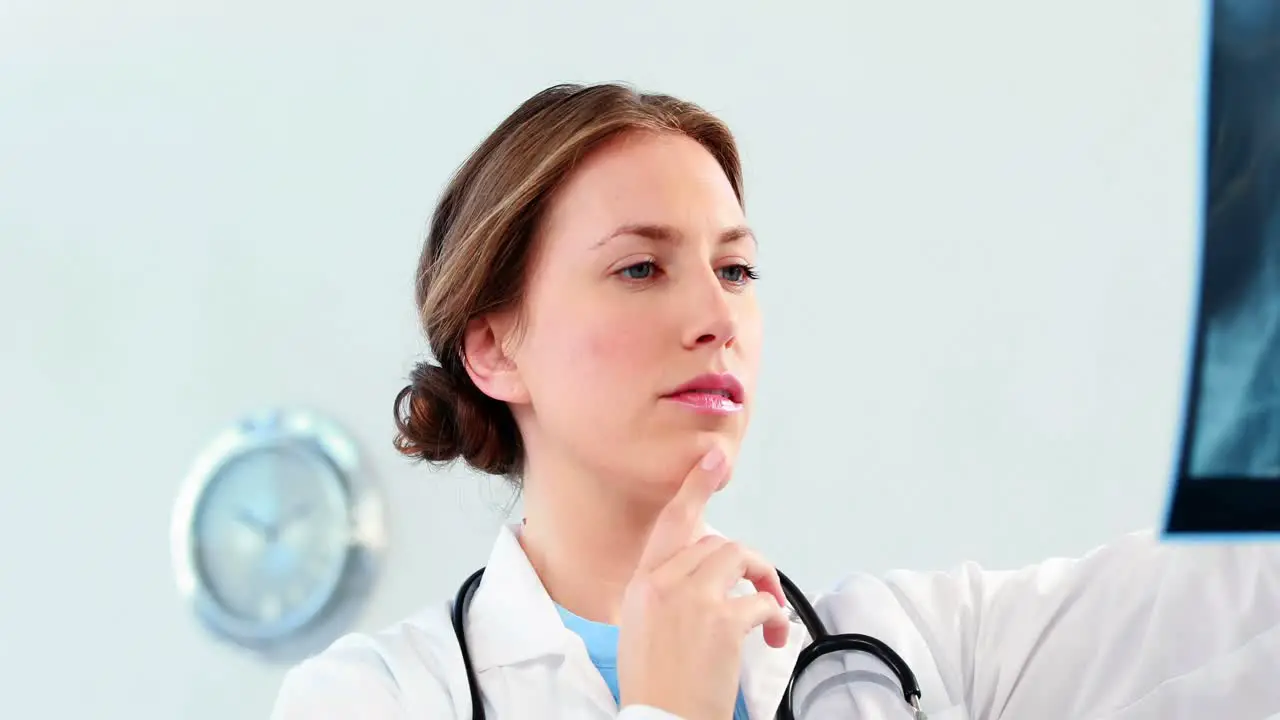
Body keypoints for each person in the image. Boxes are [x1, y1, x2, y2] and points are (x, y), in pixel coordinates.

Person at [270, 83, 1280, 719]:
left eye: (737, 271)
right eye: (638, 270)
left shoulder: (917, 657)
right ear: (491, 348)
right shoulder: (374, 699)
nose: (714, 315)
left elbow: (1241, 597)